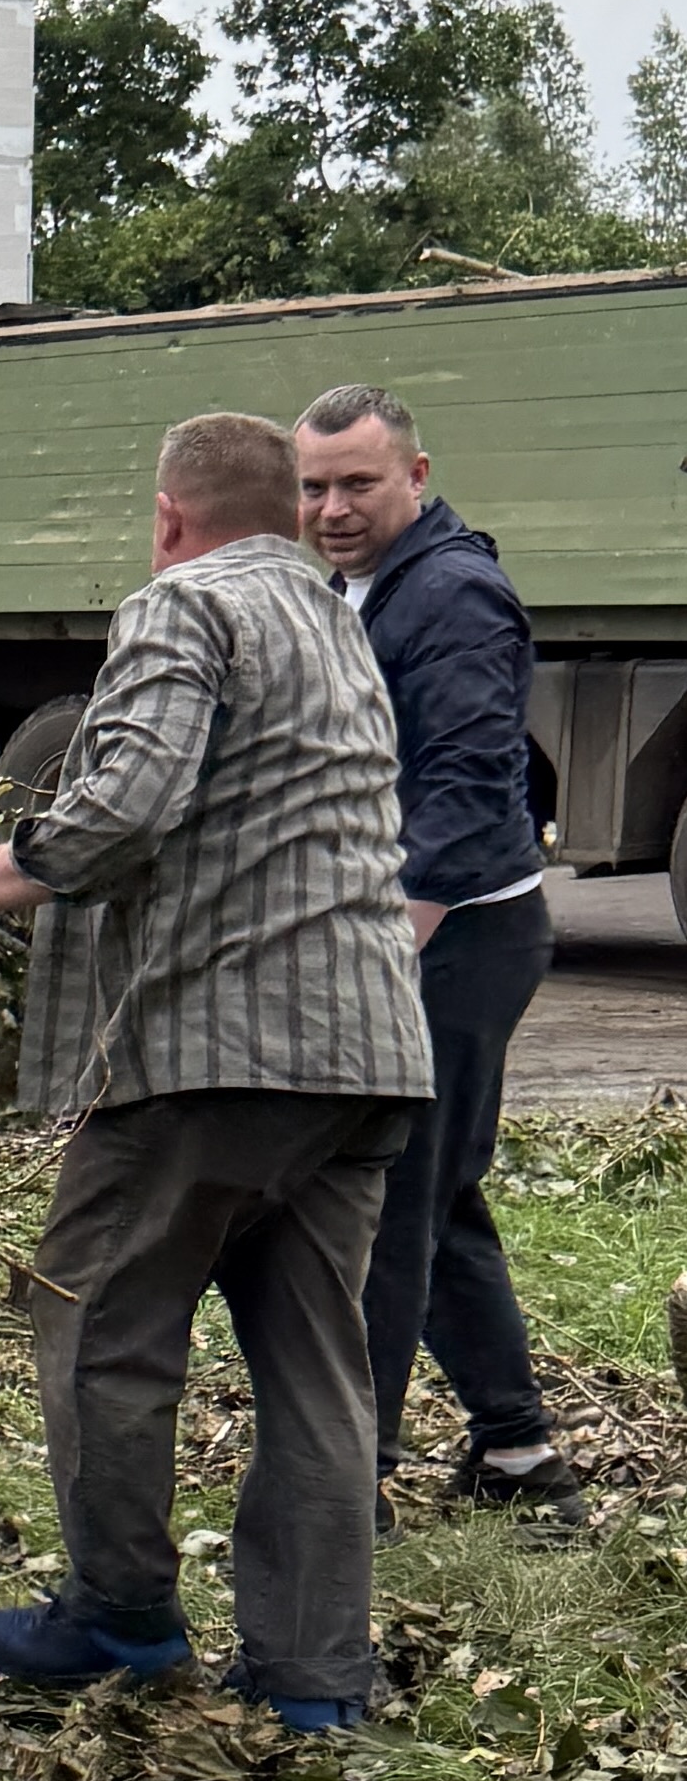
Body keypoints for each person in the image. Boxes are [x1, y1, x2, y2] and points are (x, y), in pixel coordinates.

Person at [0, 407, 432, 1733]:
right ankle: (312, 1674)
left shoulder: (185, 604)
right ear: (289, 511)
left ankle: (119, 1611)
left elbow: (128, 802)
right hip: (366, 1049)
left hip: (219, 1046)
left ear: (171, 516)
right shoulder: (333, 619)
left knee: (93, 1313)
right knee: (316, 1362)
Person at [293, 379, 577, 1524]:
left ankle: (347, 1482)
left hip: (460, 935)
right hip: (435, 933)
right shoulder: (366, 587)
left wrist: (381, 948)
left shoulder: (452, 596)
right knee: (438, 1191)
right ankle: (518, 1454)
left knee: (386, 1203)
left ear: (415, 476)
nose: (333, 509)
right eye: (314, 488)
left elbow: (464, 789)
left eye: (358, 483)